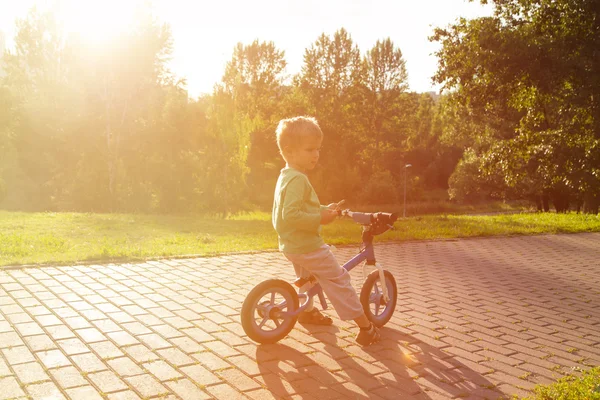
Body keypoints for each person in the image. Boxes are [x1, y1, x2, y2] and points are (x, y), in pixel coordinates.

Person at [271, 116, 380, 346]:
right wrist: (320, 218)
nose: (316, 154)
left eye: (318, 149)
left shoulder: (285, 176)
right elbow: (291, 215)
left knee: (307, 279)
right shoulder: (298, 179)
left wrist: (323, 209)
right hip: (307, 246)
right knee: (338, 279)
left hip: (290, 245)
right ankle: (366, 327)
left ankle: (307, 312)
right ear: (289, 151)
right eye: (310, 149)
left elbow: (300, 208)